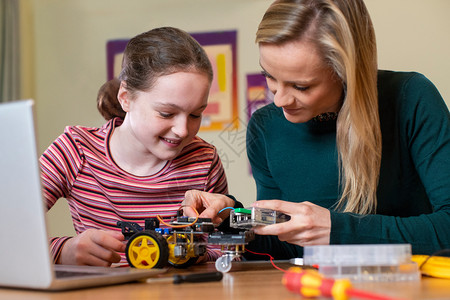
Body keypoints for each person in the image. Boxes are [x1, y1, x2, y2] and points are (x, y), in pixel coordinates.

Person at [184, 0, 450, 259]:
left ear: (346, 71)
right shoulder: (266, 126)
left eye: (301, 87)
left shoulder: (412, 99)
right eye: (269, 76)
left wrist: (337, 230)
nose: (279, 100)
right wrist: (231, 219)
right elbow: (284, 245)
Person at [40, 26, 235, 266]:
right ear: (126, 98)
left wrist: (191, 251)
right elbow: (9, 231)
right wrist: (62, 252)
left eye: (196, 114)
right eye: (166, 113)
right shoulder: (75, 150)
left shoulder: (204, 160)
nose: (183, 130)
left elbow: (225, 252)